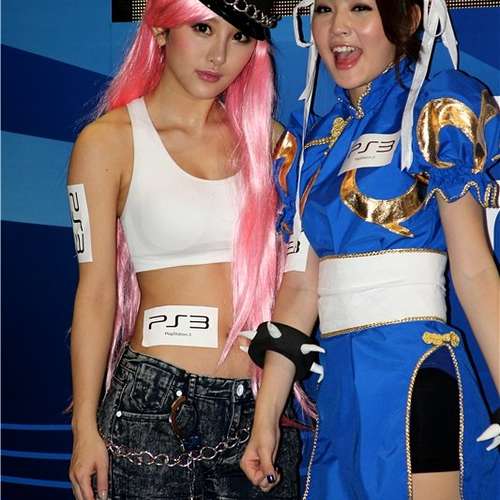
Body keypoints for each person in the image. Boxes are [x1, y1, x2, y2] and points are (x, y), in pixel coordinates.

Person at [240, 0, 500, 498]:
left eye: (360, 7)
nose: (338, 28)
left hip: (416, 376)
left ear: (408, 18)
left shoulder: (433, 111)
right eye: (324, 9)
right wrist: (266, 416)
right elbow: (300, 288)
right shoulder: (312, 142)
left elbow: (474, 272)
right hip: (339, 389)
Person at [66, 1, 301, 499]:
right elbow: (96, 293)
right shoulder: (107, 142)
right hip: (153, 408)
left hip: (260, 410)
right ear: (160, 30)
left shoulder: (273, 145)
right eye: (202, 29)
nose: (218, 55)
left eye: (239, 37)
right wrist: (84, 426)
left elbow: (301, 284)